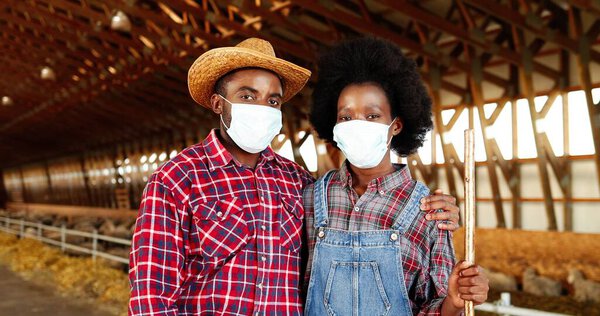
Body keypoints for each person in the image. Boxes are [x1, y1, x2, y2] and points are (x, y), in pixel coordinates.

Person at [128, 38, 463, 315]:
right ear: (218, 103)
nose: (262, 108)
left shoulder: (297, 183)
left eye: (273, 100)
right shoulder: (177, 179)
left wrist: (444, 211)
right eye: (248, 96)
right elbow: (150, 298)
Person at [303, 37, 489, 315]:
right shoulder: (311, 197)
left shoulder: (428, 211)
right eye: (345, 117)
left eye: (372, 116)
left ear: (396, 126)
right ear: (333, 126)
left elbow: (436, 306)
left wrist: (454, 301)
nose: (357, 125)